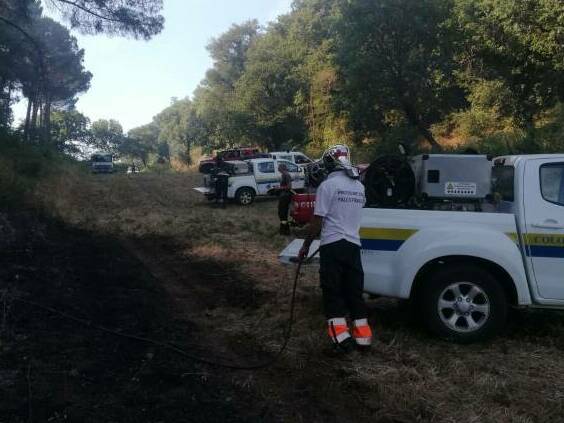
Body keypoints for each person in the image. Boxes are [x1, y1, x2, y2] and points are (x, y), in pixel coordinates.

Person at [299, 145, 372, 353]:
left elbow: (317, 220)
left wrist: (306, 246)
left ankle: (341, 341)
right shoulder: (359, 187)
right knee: (354, 292)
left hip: (332, 245)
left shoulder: (327, 186)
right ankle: (363, 339)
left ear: (329, 164)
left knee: (332, 292)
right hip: (353, 246)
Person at [278, 163, 293, 235]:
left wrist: (279, 188)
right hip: (283, 196)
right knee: (281, 213)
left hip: (286, 196)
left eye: (279, 167)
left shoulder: (287, 175)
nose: (278, 168)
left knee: (283, 213)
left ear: (282, 168)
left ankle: (285, 230)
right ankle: (284, 229)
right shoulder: (283, 175)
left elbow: (289, 187)